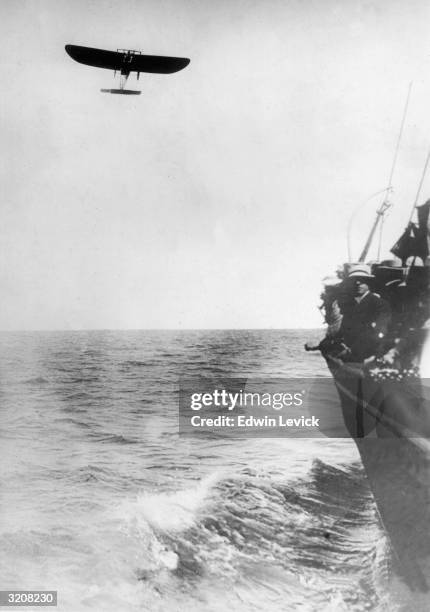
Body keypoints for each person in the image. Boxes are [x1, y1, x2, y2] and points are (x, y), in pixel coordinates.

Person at [339, 264, 391, 363]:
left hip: (368, 357)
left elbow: (378, 333)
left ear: (369, 283)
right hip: (349, 356)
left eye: (362, 280)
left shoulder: (380, 304)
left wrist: (352, 350)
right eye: (354, 280)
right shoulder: (349, 304)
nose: (358, 283)